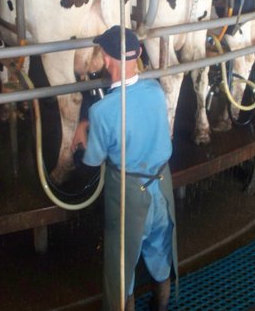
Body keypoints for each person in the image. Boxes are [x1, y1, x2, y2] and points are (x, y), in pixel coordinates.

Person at [72, 26, 178, 311]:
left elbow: (93, 160)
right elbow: (135, 118)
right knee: (160, 252)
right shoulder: (156, 91)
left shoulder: (102, 112)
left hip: (130, 195)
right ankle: (162, 305)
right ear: (139, 54)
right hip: (162, 186)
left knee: (120, 270)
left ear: (106, 59)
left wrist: (84, 134)